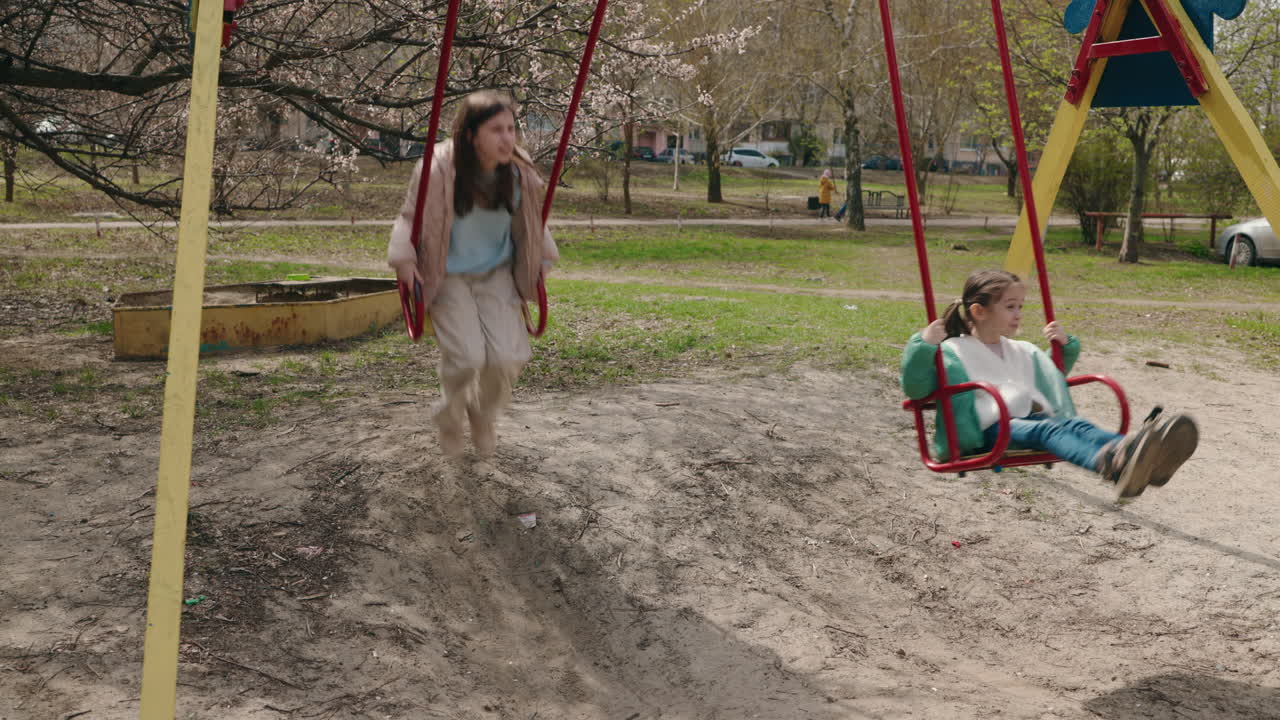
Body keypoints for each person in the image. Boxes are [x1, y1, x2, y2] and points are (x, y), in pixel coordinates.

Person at [901, 269, 1198, 499]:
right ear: (979, 311)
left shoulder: (1020, 349)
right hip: (990, 430)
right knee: (1048, 429)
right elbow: (916, 388)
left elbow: (1049, 376)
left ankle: (1137, 457)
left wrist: (1064, 346)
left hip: (1027, 420)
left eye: (1020, 306)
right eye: (1010, 307)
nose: (1018, 314)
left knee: (1076, 425)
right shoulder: (953, 352)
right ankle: (1110, 462)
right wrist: (923, 346)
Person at [387, 91, 558, 457]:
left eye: (511, 129)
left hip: (496, 272)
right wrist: (404, 260)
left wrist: (542, 257)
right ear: (470, 135)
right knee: (467, 357)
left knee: (508, 357)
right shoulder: (437, 169)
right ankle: (450, 415)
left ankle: (482, 413)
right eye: (496, 130)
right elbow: (409, 219)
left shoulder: (518, 170)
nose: (507, 138)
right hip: (446, 273)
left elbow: (532, 220)